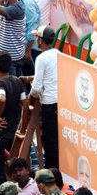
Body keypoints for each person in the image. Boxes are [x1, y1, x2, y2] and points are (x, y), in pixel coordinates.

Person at [0, 52, 29, 190]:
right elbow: (25, 104)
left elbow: (1, 99)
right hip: (11, 132)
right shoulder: (17, 81)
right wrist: (22, 125)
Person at [22, 25, 59, 168]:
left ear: (40, 40)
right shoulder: (58, 54)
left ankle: (52, 171)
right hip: (60, 102)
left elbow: (36, 88)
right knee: (57, 139)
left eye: (37, 38)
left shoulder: (41, 58)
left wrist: (29, 100)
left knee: (50, 141)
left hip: (49, 103)